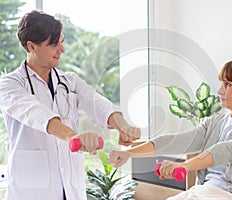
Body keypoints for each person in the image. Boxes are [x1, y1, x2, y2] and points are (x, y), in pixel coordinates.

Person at [0, 10, 141, 200]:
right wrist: (74, 137)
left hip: (71, 189)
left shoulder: (69, 81)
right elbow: (35, 113)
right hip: (32, 192)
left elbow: (96, 102)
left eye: (62, 42)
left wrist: (122, 126)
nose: (62, 49)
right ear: (32, 47)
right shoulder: (10, 84)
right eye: (54, 44)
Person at [110, 58, 232, 200]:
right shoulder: (215, 123)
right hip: (202, 192)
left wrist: (184, 166)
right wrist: (129, 153)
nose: (220, 91)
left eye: (228, 84)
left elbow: (228, 150)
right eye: (221, 84)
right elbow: (177, 141)